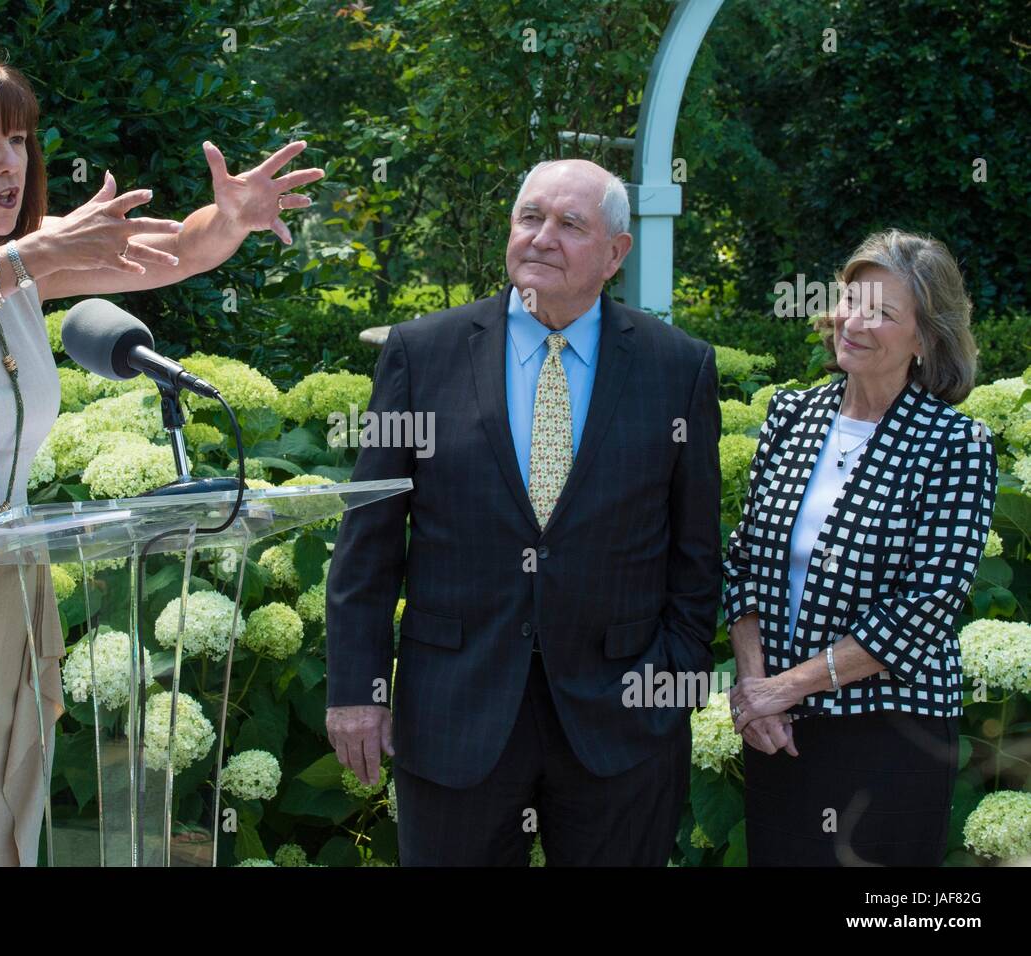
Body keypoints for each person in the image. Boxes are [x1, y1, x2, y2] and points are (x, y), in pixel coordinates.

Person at [0, 41, 321, 865]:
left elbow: (176, 251)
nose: (13, 163)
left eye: (21, 141)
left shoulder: (15, 276)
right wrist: (30, 256)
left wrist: (232, 220)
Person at [325, 159, 722, 865]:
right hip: (456, 712)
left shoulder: (677, 367)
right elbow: (370, 538)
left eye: (570, 224)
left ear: (615, 254)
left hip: (623, 721)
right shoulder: (423, 353)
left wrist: (671, 681)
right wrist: (358, 689)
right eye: (530, 217)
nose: (542, 238)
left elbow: (695, 553)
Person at [723, 229, 998, 866]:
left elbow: (926, 605)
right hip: (779, 733)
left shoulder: (954, 445)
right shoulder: (793, 415)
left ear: (926, 340)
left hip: (889, 736)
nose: (854, 320)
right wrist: (755, 684)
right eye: (852, 299)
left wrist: (786, 687)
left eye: (883, 312)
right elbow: (742, 565)